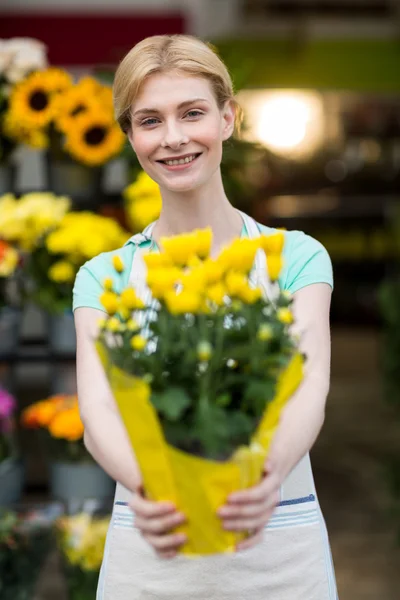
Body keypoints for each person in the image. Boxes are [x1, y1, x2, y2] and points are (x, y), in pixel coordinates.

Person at [73, 34, 338, 600]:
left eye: (191, 113)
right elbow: (97, 412)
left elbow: (310, 385)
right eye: (149, 120)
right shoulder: (102, 277)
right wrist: (152, 489)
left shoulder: (295, 258)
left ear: (227, 119)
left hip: (280, 550)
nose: (173, 138)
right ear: (130, 137)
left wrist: (265, 482)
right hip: (149, 553)